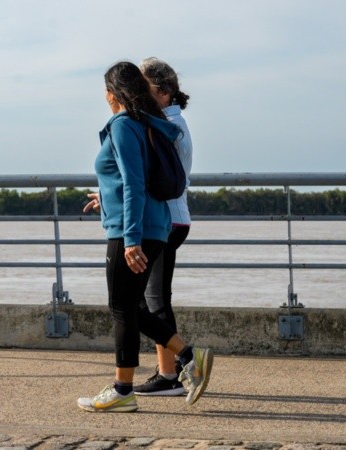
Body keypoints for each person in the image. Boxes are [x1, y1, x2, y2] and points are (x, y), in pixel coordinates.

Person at [76, 61, 212, 413]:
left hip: (130, 229)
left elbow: (135, 184)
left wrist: (132, 239)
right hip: (152, 225)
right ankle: (187, 356)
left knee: (122, 307)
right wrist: (106, 198)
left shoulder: (123, 125)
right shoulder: (146, 123)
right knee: (132, 306)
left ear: (112, 93)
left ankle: (123, 390)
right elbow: (133, 182)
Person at [133, 57, 194, 396]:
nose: (139, 95)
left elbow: (155, 177)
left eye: (146, 89)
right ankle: (172, 368)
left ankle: (173, 372)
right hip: (174, 217)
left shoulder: (167, 126)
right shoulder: (172, 122)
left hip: (165, 220)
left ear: (165, 92)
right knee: (153, 299)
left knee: (151, 302)